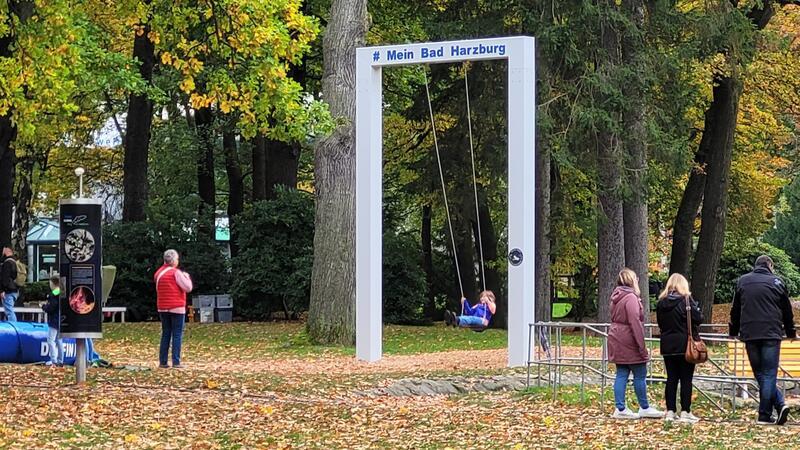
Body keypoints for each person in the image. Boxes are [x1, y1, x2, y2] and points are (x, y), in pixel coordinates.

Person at [729, 255, 796, 425]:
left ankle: (777, 406)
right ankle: (765, 413)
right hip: (771, 333)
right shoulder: (777, 282)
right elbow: (787, 310)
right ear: (769, 265)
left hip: (750, 333)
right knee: (768, 373)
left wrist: (733, 331)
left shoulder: (743, 281)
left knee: (760, 373)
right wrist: (791, 332)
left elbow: (735, 309)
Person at [608, 268, 662, 420]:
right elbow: (634, 322)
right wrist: (641, 346)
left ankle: (620, 407)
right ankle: (644, 407)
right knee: (640, 373)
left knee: (622, 373)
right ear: (632, 281)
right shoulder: (630, 297)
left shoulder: (616, 297)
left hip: (616, 336)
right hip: (628, 338)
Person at [656, 273, 703, 424]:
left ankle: (670, 411)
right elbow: (698, 318)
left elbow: (660, 324)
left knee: (671, 378)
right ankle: (685, 411)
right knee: (686, 379)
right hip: (685, 345)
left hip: (667, 345)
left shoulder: (661, 303)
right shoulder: (687, 301)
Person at [154, 249, 193, 369]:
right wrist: (186, 277)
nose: (177, 261)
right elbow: (188, 287)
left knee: (166, 333)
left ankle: (163, 361)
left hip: (162, 307)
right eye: (177, 259)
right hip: (176, 307)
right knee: (177, 334)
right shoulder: (176, 273)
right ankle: (176, 361)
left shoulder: (158, 273)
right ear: (173, 260)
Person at [41, 275, 64, 367]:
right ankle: (61, 360)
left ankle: (54, 360)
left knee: (50, 340)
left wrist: (44, 307)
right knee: (59, 340)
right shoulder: (62, 292)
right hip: (61, 319)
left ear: (54, 284)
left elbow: (51, 307)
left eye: (50, 283)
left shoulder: (54, 294)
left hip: (54, 319)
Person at [0, 247, 19, 322]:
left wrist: (2, 290)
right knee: (10, 310)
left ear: (8, 250)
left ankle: (13, 328)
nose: (2, 251)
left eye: (4, 249)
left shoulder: (7, 263)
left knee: (9, 311)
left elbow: (5, 278)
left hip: (8, 291)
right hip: (14, 290)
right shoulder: (14, 262)